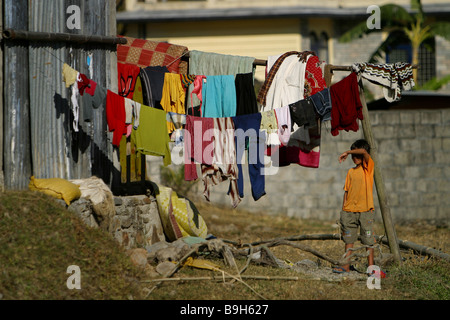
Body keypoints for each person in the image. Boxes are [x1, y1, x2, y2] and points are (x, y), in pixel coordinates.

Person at [333, 139, 377, 274]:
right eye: (353, 156)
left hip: (365, 211)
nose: (354, 158)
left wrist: (347, 151)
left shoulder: (368, 168)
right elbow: (346, 192)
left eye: (356, 155)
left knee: (368, 239)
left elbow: (363, 151)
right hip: (349, 211)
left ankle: (371, 268)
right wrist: (343, 211)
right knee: (348, 240)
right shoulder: (351, 172)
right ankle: (346, 266)